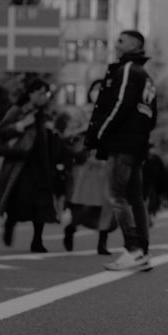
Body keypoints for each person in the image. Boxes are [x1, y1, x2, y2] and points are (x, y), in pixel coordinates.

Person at [84, 30, 157, 272]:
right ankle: (141, 252)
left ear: (135, 44)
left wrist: (99, 134)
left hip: (122, 143)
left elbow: (118, 105)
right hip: (137, 145)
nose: (116, 44)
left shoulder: (127, 70)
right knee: (135, 198)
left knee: (117, 196)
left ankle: (133, 249)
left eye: (121, 41)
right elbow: (152, 116)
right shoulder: (146, 76)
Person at [0, 79, 65, 252]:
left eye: (45, 94)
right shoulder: (18, 111)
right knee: (20, 202)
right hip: (21, 165)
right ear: (31, 93)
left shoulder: (46, 114)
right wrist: (21, 125)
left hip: (42, 164)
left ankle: (37, 240)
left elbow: (52, 139)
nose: (43, 97)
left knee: (41, 204)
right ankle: (10, 224)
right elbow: (1, 132)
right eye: (40, 93)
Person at [62, 80, 117, 255]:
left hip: (106, 162)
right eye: (95, 89)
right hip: (87, 163)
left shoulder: (112, 113)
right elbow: (67, 135)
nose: (98, 93)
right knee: (85, 204)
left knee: (106, 204)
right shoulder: (80, 113)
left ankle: (103, 242)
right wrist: (87, 128)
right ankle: (71, 227)